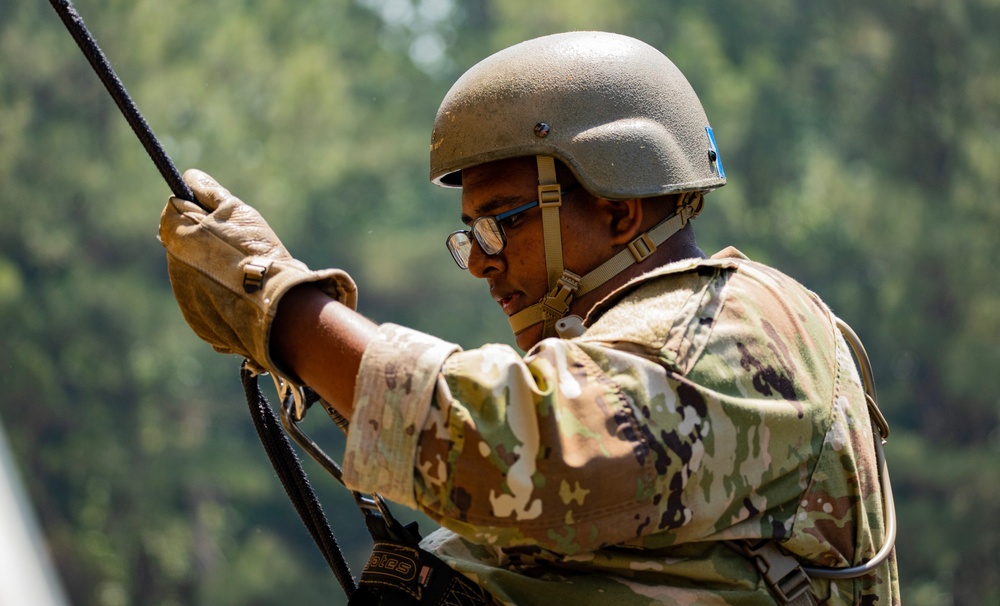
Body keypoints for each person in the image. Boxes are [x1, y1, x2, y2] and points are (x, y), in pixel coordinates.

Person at [159, 31, 899, 605]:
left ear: (616, 210)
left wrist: (280, 306)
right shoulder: (667, 338)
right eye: (467, 236)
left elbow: (515, 452)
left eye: (499, 223)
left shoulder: (721, 327)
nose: (480, 260)